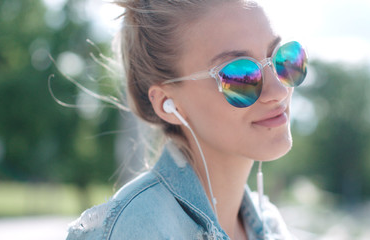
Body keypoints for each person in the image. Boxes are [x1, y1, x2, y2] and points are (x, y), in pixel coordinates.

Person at [66, 0, 307, 239]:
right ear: (166, 103)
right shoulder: (135, 229)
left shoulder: (271, 226)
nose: (279, 91)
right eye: (239, 75)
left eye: (282, 59)